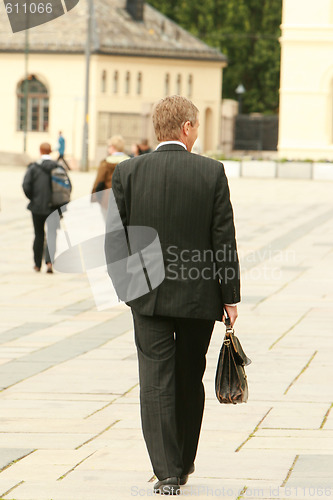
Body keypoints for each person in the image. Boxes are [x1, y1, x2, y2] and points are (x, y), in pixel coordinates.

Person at [105, 95, 240, 495]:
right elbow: (223, 242)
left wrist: (128, 291)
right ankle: (182, 463)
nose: (197, 133)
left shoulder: (127, 172)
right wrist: (230, 297)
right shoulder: (211, 172)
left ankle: (165, 472)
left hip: (146, 298)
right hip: (200, 298)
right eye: (196, 126)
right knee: (188, 377)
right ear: (186, 128)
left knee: (155, 381)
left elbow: (115, 240)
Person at [22, 143, 63, 273]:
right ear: (50, 151)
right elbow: (67, 187)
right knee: (52, 234)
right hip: (54, 207)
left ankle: (37, 264)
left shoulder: (33, 167)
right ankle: (50, 262)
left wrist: (33, 198)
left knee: (38, 234)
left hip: (37, 207)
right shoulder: (58, 167)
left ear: (40, 151)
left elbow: (26, 185)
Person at [91, 135, 130, 218]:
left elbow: (99, 182)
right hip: (126, 200)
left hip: (108, 199)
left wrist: (94, 196)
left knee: (109, 225)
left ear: (112, 147)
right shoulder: (130, 161)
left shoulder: (105, 163)